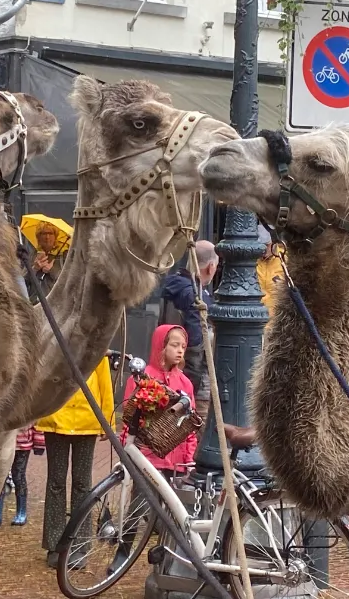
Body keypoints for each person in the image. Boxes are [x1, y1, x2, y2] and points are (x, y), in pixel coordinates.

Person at [108, 324, 198, 574]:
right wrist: (127, 451)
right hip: (147, 458)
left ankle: (165, 561)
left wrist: (189, 457)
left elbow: (189, 423)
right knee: (138, 507)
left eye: (183, 346)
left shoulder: (185, 383)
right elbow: (130, 417)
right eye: (174, 345)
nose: (180, 351)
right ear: (161, 347)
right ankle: (123, 553)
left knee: (171, 514)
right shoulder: (142, 377)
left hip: (174, 459)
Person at [36, 356, 115, 568]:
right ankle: (55, 544)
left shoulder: (97, 348)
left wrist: (107, 421)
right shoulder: (58, 342)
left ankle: (80, 545)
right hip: (56, 418)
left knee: (82, 484)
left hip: (86, 421)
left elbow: (105, 384)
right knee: (56, 483)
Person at [160, 240, 217, 413]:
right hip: (190, 381)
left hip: (169, 371)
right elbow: (195, 346)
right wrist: (189, 388)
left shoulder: (174, 286)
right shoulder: (195, 296)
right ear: (211, 267)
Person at [0, 425, 44, 528]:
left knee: (19, 476)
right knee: (0, 477)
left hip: (22, 443)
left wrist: (39, 442)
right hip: (2, 442)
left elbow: (37, 419)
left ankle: (21, 512)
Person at [256, 225, 287, 317]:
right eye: (260, 246)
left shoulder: (285, 259)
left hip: (277, 318)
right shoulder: (251, 259)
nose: (263, 250)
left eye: (266, 245)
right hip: (256, 317)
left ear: (274, 243)